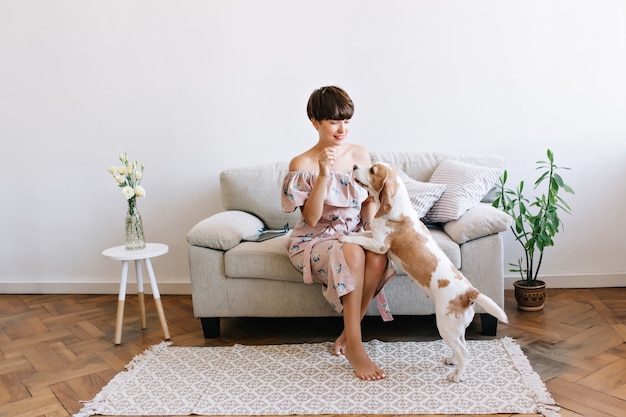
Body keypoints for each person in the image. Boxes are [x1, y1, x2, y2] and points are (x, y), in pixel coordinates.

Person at [281, 86, 395, 381]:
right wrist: (323, 175)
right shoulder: (302, 163)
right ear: (314, 122)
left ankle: (348, 331)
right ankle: (356, 348)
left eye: (346, 120)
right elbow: (310, 217)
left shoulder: (359, 153)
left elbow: (369, 201)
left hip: (354, 233)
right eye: (333, 121)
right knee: (353, 251)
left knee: (378, 256)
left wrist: (369, 228)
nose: (341, 128)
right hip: (314, 239)